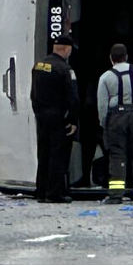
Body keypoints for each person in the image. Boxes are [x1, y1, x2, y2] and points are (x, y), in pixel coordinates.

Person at [97, 43, 133, 204]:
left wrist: (104, 124)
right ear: (127, 57)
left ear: (111, 59)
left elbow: (102, 105)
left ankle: (116, 195)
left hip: (117, 118)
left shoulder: (105, 77)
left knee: (117, 155)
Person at [31, 35, 80, 204]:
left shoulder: (38, 66)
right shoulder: (65, 69)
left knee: (43, 153)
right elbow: (73, 98)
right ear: (67, 49)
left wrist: (37, 112)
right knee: (58, 155)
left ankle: (41, 191)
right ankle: (54, 193)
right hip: (59, 117)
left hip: (41, 116)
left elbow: (33, 93)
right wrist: (73, 120)